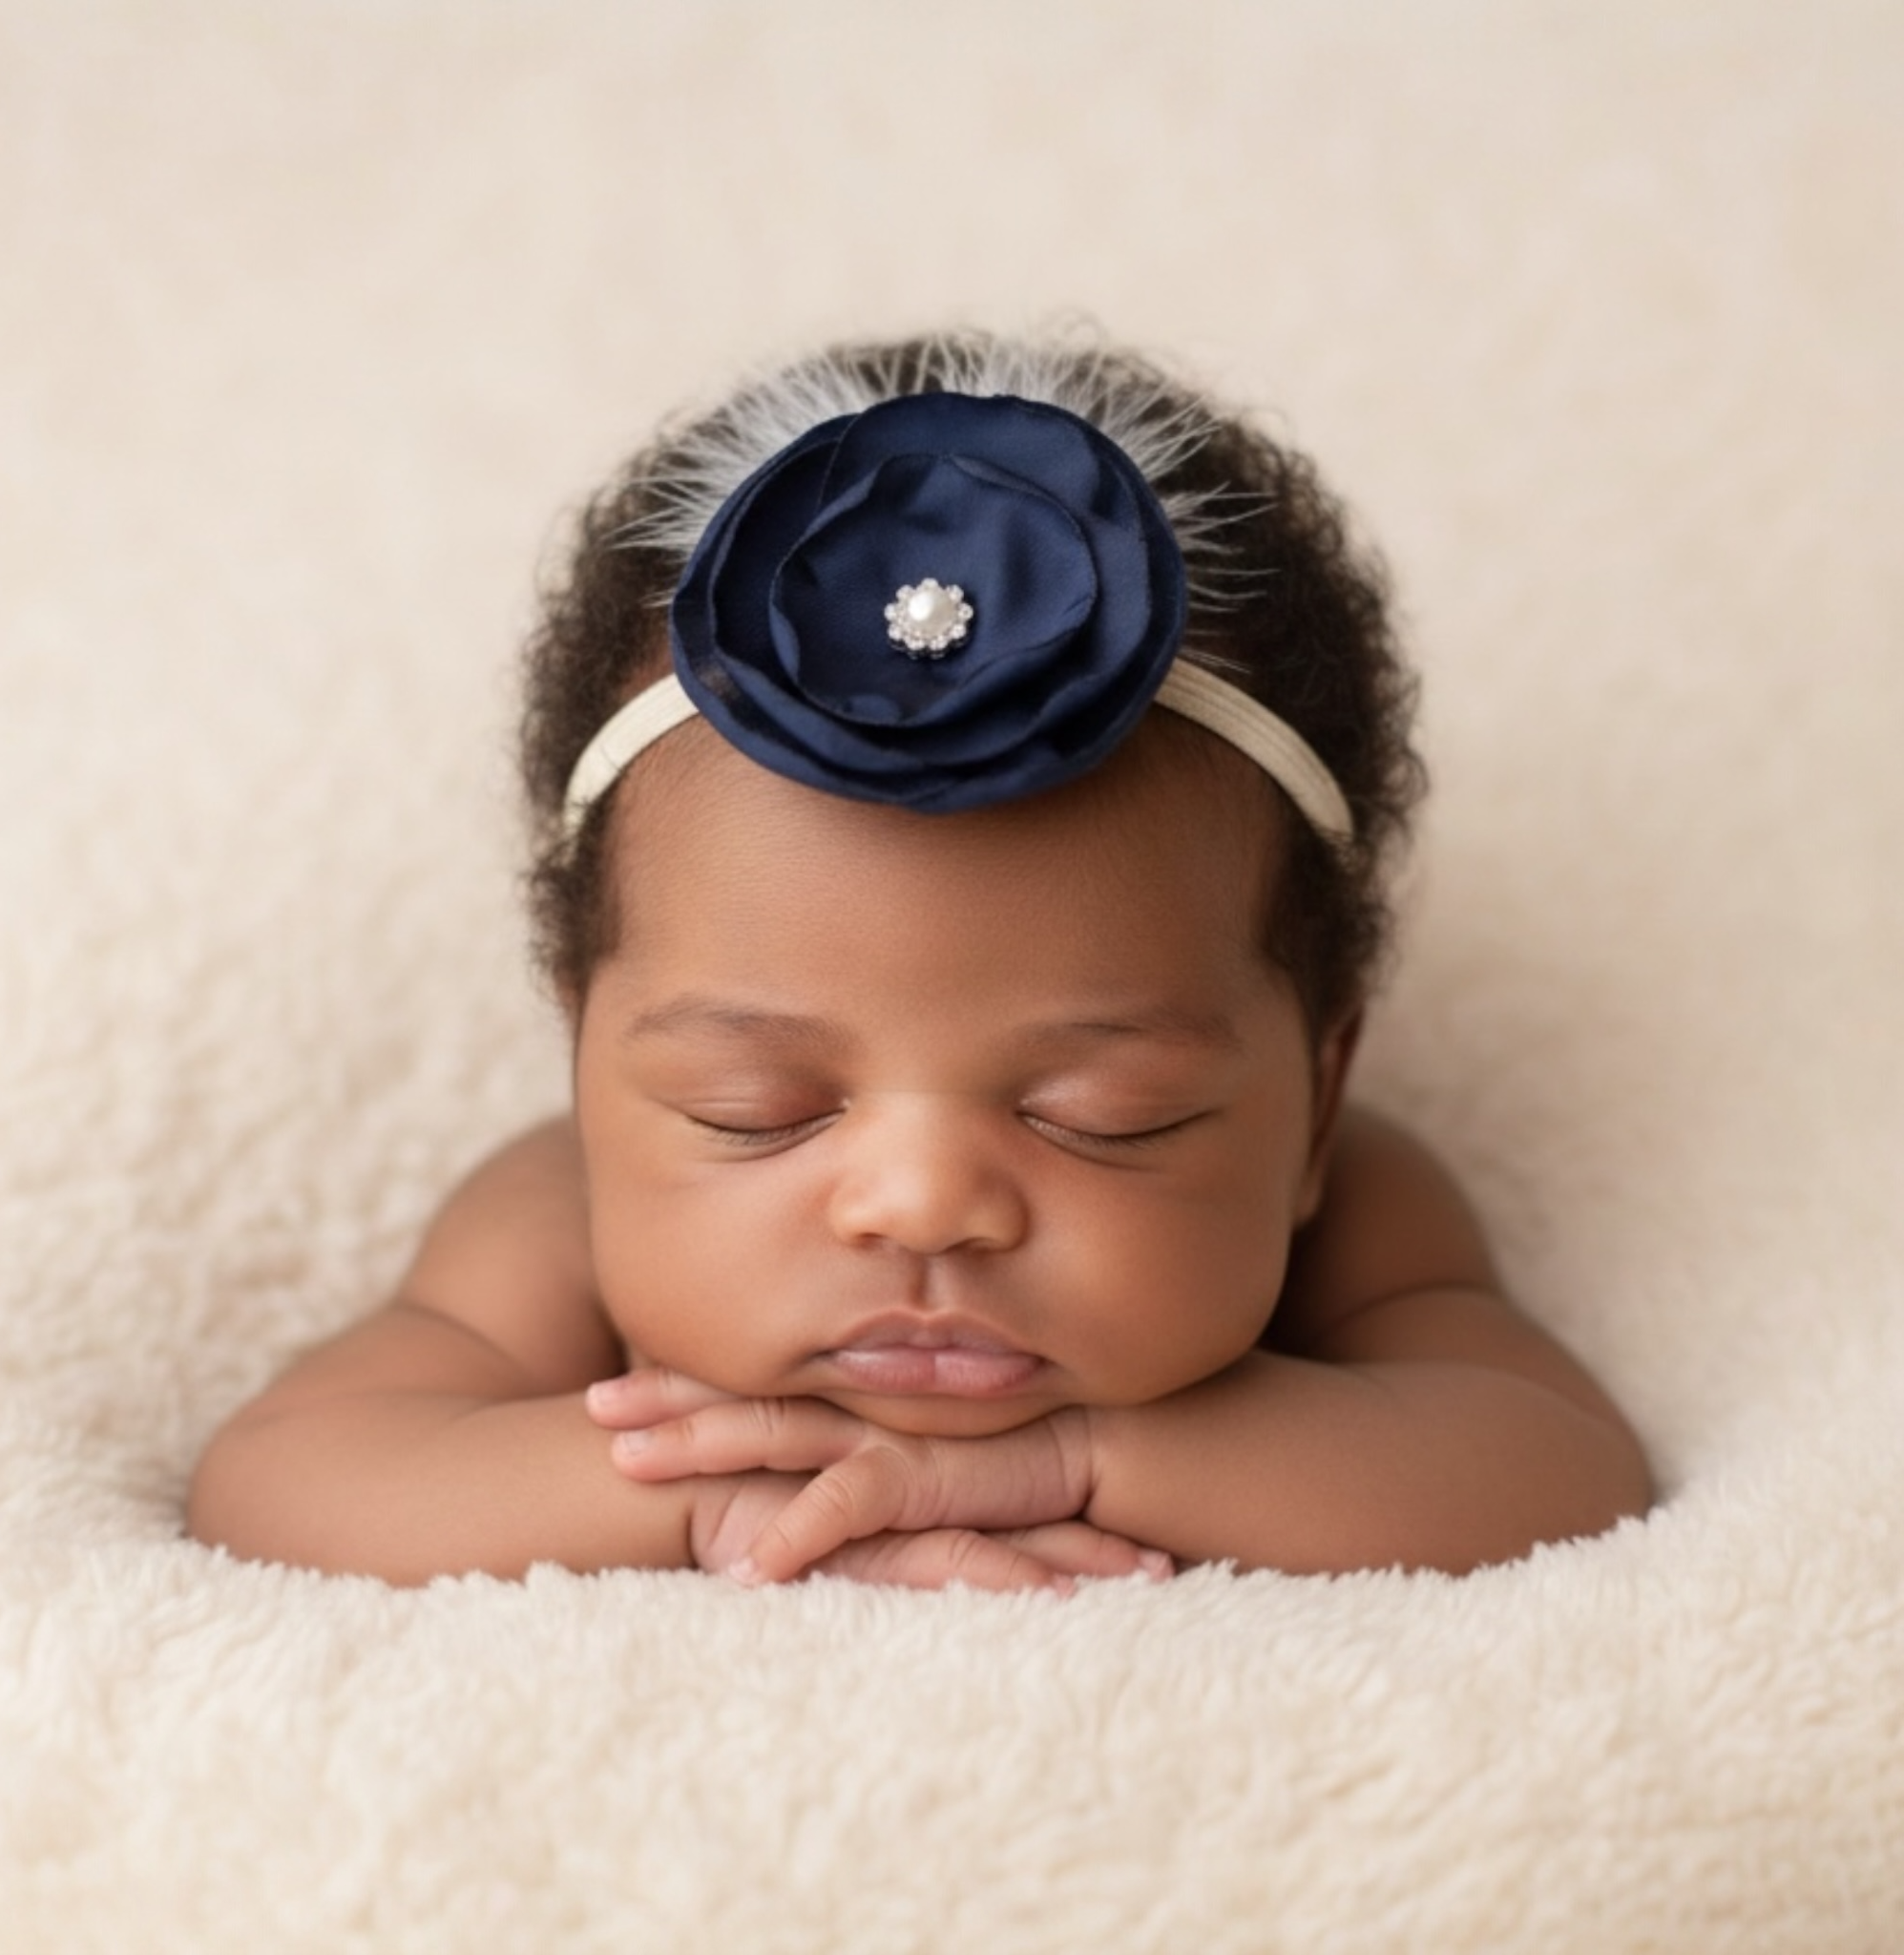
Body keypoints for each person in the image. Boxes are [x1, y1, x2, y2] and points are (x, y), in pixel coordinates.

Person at [186, 332, 1652, 1591]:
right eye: (753, 1109)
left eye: (1106, 1116)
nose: (924, 1203)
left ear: (1316, 1101)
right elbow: (288, 1478)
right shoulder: (551, 1215)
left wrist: (1090, 1457)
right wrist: (707, 1498)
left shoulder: (1357, 1207)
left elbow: (1560, 1472)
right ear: (588, 1067)